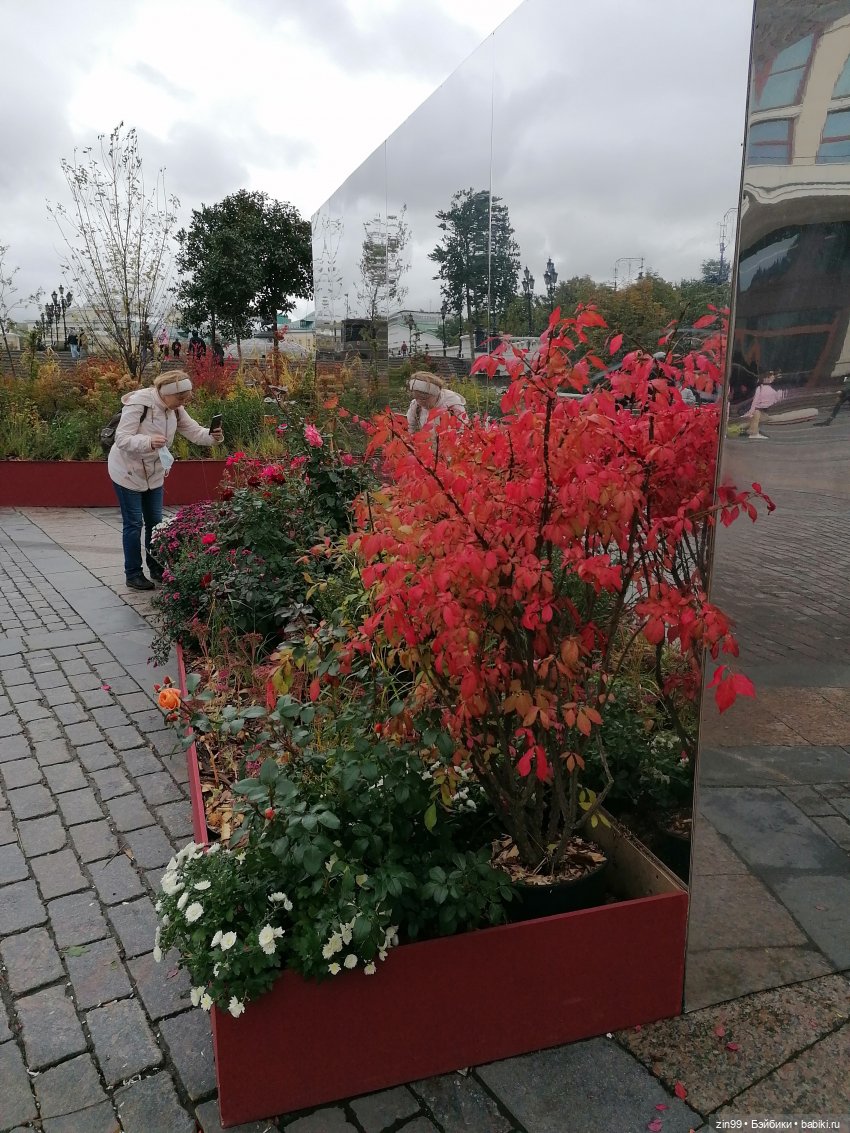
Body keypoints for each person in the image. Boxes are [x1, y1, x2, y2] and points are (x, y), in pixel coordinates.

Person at [108, 372, 224, 590]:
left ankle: (157, 567)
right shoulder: (139, 404)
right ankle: (132, 574)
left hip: (154, 473)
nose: (183, 404)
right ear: (167, 394)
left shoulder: (175, 409)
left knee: (155, 523)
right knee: (133, 524)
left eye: (186, 399)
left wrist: (213, 436)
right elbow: (121, 439)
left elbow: (195, 431)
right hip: (127, 471)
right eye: (180, 399)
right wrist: (148, 441)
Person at [742, 370, 784, 439]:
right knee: (756, 417)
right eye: (769, 377)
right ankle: (753, 433)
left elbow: (775, 400)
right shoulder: (760, 388)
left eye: (772, 378)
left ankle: (751, 430)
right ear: (764, 378)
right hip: (758, 410)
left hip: (764, 410)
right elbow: (755, 401)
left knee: (761, 419)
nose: (770, 379)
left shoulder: (772, 389)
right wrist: (751, 411)